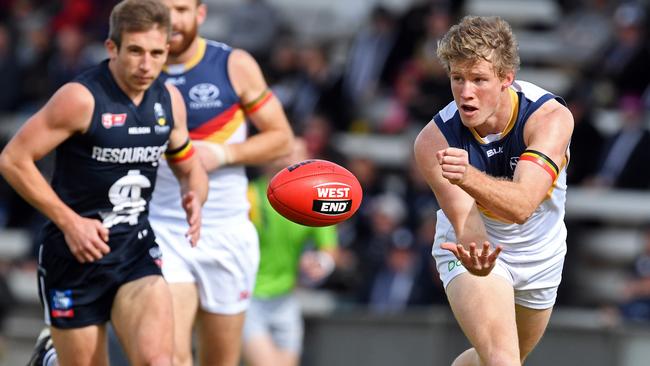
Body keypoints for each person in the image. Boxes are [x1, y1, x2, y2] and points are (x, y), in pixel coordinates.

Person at [0, 1, 209, 365]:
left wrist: (195, 194)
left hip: (135, 250)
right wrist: (71, 222)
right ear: (112, 48)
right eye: (136, 51)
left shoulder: (169, 100)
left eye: (157, 53)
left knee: (161, 362)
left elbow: (189, 165)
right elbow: (13, 160)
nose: (147, 65)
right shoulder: (80, 98)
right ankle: (51, 356)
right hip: (75, 254)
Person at [413, 16, 573, 366]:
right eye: (458, 79)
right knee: (503, 360)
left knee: (499, 359)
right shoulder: (433, 141)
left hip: (541, 253)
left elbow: (521, 206)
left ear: (506, 79)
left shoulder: (549, 118)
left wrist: (467, 175)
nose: (466, 92)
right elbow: (468, 224)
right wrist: (476, 253)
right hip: (476, 253)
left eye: (479, 80)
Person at [148, 1, 294, 365]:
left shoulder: (233, 65)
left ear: (200, 13)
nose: (172, 20)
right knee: (169, 356)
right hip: (163, 226)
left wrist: (222, 154)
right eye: (162, 9)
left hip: (227, 229)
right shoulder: (139, 69)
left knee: (221, 360)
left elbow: (282, 139)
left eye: (181, 8)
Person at [242, 138, 338, 366]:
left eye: (296, 155)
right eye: (284, 153)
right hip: (248, 296)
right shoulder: (250, 197)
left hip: (285, 298)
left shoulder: (314, 202)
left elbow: (329, 248)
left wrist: (321, 262)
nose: (289, 160)